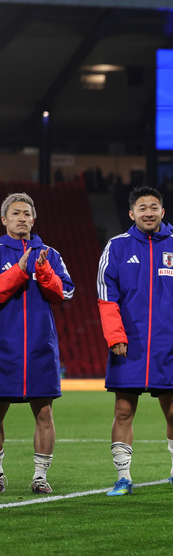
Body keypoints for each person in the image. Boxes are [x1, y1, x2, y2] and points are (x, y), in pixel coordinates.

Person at [97, 186, 173, 496]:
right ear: (132, 214)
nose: (148, 212)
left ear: (162, 212)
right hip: (128, 345)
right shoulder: (116, 247)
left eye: (154, 207)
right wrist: (115, 335)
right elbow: (106, 296)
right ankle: (123, 478)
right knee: (124, 411)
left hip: (166, 346)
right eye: (142, 208)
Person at [0, 192, 74, 494]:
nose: (22, 218)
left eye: (27, 213)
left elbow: (64, 294)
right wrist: (19, 271)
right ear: (4, 219)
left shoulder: (50, 254)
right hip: (3, 347)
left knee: (44, 413)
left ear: (34, 218)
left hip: (40, 347)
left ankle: (40, 476)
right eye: (15, 213)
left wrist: (42, 270)